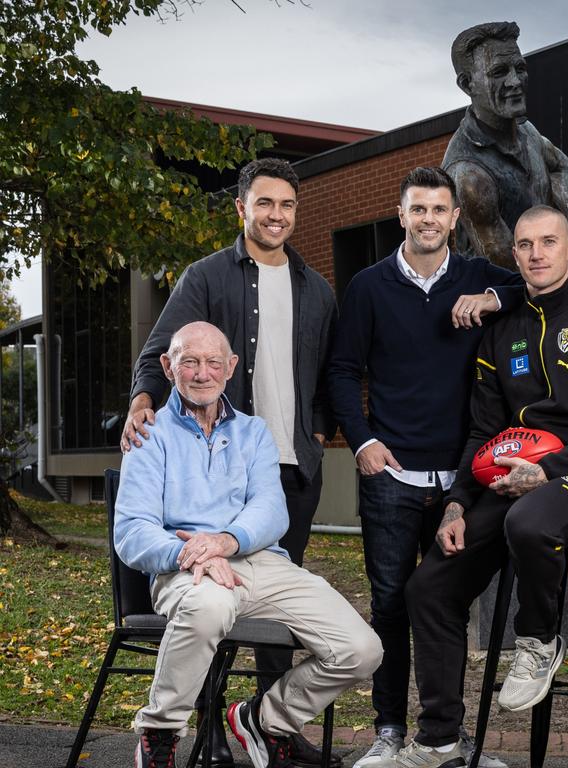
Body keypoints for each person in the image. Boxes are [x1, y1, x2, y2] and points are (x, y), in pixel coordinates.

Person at [389, 205, 568, 768]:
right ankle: (439, 741)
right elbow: (483, 430)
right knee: (428, 586)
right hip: (508, 480)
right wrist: (456, 503)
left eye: (548, 242)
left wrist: (549, 470)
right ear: (515, 255)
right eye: (524, 245)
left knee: (529, 521)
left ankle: (538, 639)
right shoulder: (500, 329)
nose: (536, 254)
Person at [120, 158, 338, 766]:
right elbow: (160, 352)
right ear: (241, 208)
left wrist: (317, 431)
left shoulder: (315, 289)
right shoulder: (207, 276)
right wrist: (142, 401)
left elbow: (325, 375)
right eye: (264, 203)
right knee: (212, 597)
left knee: (275, 603)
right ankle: (209, 733)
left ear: (296, 211)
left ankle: (269, 729)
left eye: (287, 205)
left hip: (289, 471)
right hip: (220, 462)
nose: (276, 215)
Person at [114, 321, 382, 768]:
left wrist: (223, 541)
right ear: (167, 366)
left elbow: (272, 512)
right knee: (210, 607)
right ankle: (159, 733)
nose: (202, 373)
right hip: (184, 569)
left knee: (361, 650)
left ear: (231, 367)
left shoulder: (254, 432)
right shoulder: (148, 433)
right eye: (189, 362)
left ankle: (266, 718)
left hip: (259, 563)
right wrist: (189, 553)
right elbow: (131, 530)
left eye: (213, 362)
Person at [329, 166, 521, 768]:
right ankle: (388, 731)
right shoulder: (369, 286)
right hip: (392, 478)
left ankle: (448, 739)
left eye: (440, 210)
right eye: (419, 210)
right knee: (388, 606)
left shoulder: (476, 276)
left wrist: (491, 297)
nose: (429, 220)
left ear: (455, 218)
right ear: (401, 213)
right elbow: (341, 371)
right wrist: (361, 441)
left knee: (444, 608)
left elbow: (535, 286)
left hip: (462, 480)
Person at [442, 21, 568, 287]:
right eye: (499, 72)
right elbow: (505, 263)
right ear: (467, 84)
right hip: (504, 291)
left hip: (548, 255)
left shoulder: (527, 131)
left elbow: (560, 163)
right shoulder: (467, 173)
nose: (515, 81)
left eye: (519, 68)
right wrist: (566, 269)